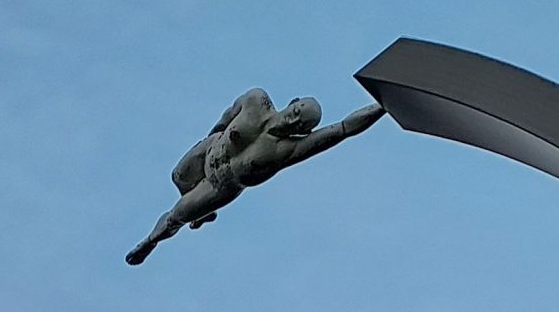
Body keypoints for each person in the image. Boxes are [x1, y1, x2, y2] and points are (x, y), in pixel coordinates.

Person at [127, 88, 386, 264]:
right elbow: (229, 113)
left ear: (303, 131)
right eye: (297, 112)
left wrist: (383, 106)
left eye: (301, 124)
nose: (293, 120)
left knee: (178, 214)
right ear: (293, 102)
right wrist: (215, 132)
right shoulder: (257, 101)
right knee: (178, 177)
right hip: (211, 149)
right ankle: (203, 216)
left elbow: (342, 129)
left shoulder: (288, 150)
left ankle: (150, 242)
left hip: (222, 185)